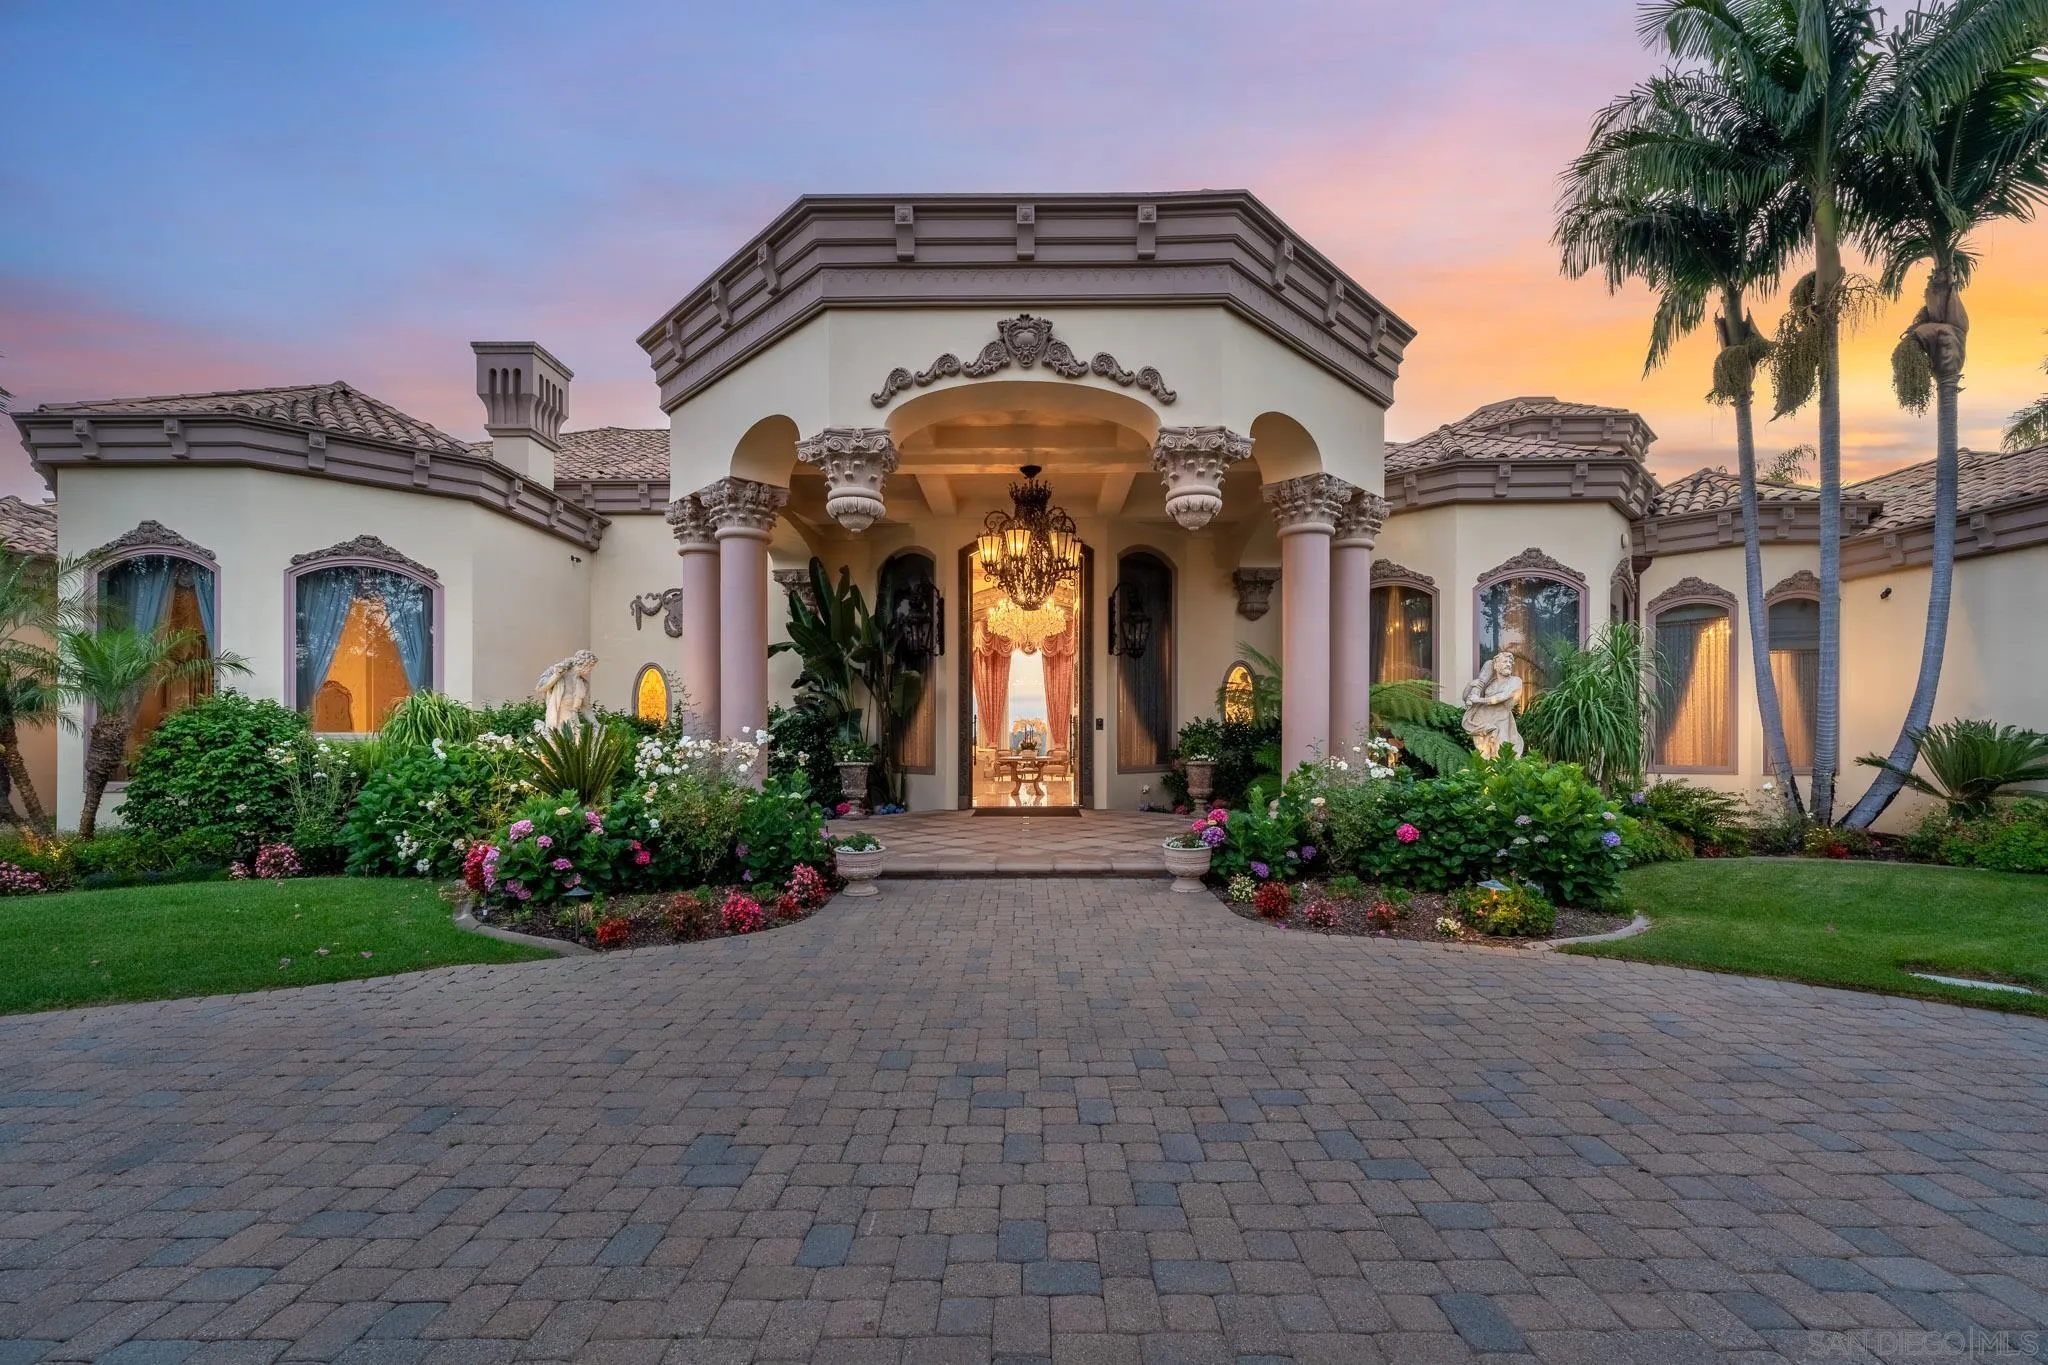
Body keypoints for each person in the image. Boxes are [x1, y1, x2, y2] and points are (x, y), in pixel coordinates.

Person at [1460, 651, 1525, 759]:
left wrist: (1479, 699)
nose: (1508, 664)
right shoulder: (1489, 683)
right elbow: (1466, 698)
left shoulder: (1515, 681)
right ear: (1495, 665)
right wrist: (1470, 685)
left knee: (1501, 756)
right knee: (1484, 758)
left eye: (1510, 662)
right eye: (1505, 662)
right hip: (1481, 723)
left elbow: (1502, 697)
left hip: (1502, 722)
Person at [536, 650, 599, 731]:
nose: (590, 670)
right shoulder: (557, 672)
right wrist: (556, 676)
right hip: (556, 723)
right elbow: (540, 688)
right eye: (591, 667)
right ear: (584, 664)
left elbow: (585, 707)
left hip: (574, 724)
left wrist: (596, 724)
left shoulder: (584, 684)